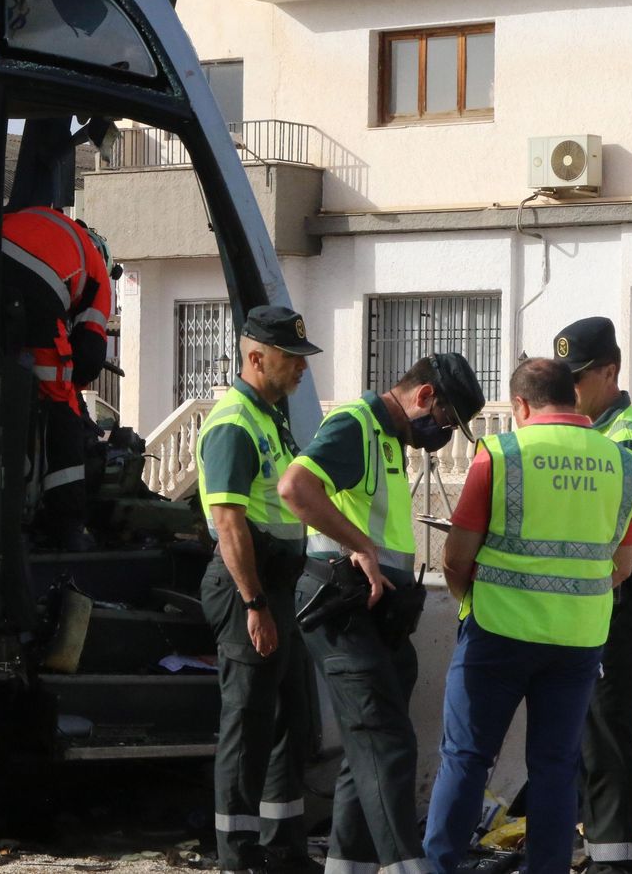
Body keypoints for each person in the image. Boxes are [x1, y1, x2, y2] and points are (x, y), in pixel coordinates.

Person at [422, 358, 632, 874]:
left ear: (521, 405)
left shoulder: (499, 454)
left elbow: (456, 557)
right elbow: (624, 564)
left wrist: (470, 601)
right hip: (579, 640)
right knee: (556, 768)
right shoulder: (626, 463)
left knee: (466, 759)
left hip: (496, 634)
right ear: (572, 396)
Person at [279, 353, 485, 874]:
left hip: (375, 614)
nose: (442, 433)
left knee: (365, 751)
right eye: (444, 420)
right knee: (386, 743)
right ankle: (406, 866)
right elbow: (296, 487)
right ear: (425, 396)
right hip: (341, 607)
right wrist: (361, 546)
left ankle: (349, 865)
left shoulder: (389, 439)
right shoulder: (357, 425)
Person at [195, 305, 322, 874]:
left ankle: (283, 847)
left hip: (280, 583)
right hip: (252, 584)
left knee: (293, 723)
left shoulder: (270, 417)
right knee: (247, 726)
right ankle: (238, 855)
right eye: (290, 358)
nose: (300, 369)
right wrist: (253, 604)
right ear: (255, 356)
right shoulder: (234, 422)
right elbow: (228, 522)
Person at [553, 317, 632, 874]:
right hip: (591, 595)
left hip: (620, 592)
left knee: (604, 731)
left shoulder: (630, 441)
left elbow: (626, 545)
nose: (568, 391)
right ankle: (594, 849)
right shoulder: (592, 434)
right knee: (581, 729)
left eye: (577, 379)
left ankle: (614, 861)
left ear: (610, 372)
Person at [2, 206, 113, 549]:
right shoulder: (98, 273)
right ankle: (67, 525)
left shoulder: (57, 229)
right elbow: (90, 357)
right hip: (36, 280)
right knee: (59, 400)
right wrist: (73, 393)